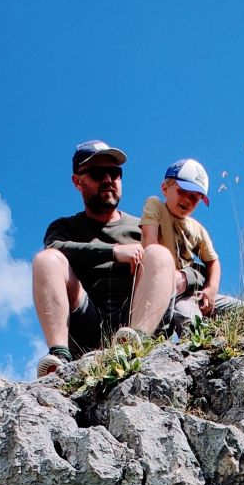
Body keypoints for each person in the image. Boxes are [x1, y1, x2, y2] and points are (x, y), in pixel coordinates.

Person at [32, 140, 145, 378]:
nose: (108, 179)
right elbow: (54, 246)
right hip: (88, 319)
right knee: (47, 260)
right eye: (97, 173)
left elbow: (183, 263)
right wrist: (114, 251)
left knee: (159, 255)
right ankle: (60, 357)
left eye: (114, 172)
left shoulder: (144, 227)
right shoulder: (65, 227)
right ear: (78, 181)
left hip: (134, 316)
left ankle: (139, 343)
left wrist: (188, 278)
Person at [135, 158, 223, 335]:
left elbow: (213, 262)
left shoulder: (197, 228)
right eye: (182, 191)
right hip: (161, 287)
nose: (188, 200)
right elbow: (149, 241)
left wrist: (211, 289)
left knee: (242, 309)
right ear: (165, 188)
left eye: (194, 197)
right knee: (191, 323)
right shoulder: (156, 206)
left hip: (190, 290)